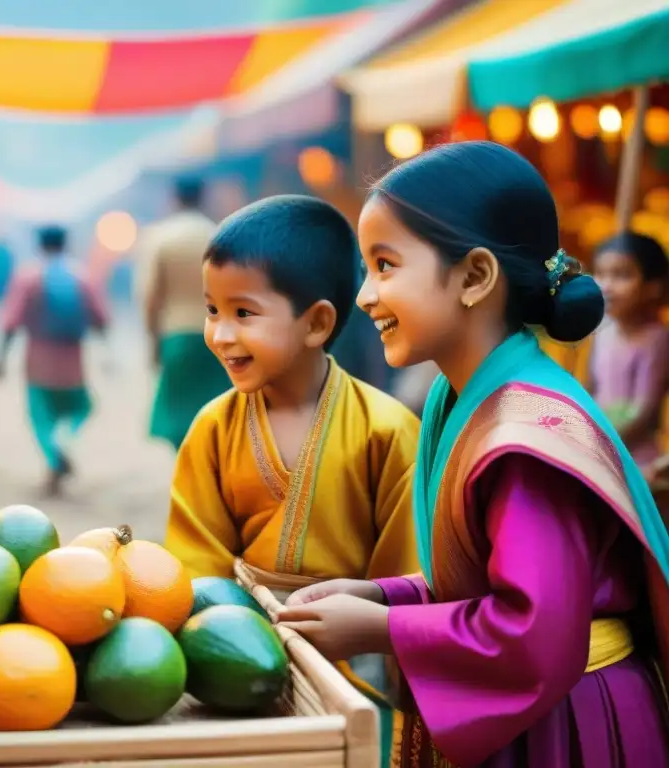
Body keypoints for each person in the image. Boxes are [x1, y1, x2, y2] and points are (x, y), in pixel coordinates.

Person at [277, 141, 669, 766]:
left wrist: (383, 630)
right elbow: (483, 578)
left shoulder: (525, 440)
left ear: (475, 277)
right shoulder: (455, 396)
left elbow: (534, 631)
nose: (364, 296)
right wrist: (383, 597)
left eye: (385, 266)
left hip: (570, 722)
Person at [163, 195, 421, 762]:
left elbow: (404, 577)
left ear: (317, 323)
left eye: (243, 313)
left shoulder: (388, 430)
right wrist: (224, 636)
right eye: (211, 310)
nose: (220, 334)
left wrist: (377, 633)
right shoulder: (212, 427)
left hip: (355, 658)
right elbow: (196, 564)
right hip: (239, 648)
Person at [0, 225, 108, 496]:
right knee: (81, 408)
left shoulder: (28, 277)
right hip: (73, 361)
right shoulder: (81, 276)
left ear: (40, 243)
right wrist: (108, 351)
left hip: (38, 360)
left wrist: (1, 356)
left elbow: (11, 321)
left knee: (40, 417)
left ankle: (54, 455)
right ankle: (65, 440)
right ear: (66, 242)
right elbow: (100, 317)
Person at [136, 177, 230, 449]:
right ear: (203, 197)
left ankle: (190, 469)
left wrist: (152, 340)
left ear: (174, 198)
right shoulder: (218, 234)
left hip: (176, 334)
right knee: (214, 407)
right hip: (217, 334)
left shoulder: (160, 237)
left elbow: (151, 296)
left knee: (179, 412)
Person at [590, 231, 669, 472]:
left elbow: (644, 412)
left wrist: (598, 444)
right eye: (600, 274)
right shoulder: (602, 330)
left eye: (622, 275)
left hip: (636, 462)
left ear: (653, 287)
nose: (607, 285)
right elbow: (591, 387)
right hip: (595, 447)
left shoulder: (657, 339)